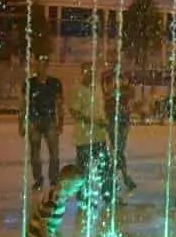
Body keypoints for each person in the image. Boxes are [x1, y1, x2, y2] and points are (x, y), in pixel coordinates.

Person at [69, 63, 112, 207]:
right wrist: (94, 121)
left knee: (104, 167)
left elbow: (101, 109)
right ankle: (83, 199)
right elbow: (74, 112)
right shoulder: (77, 90)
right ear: (82, 72)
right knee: (83, 170)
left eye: (93, 72)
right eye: (87, 72)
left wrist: (104, 122)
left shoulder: (97, 89)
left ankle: (108, 196)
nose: (90, 75)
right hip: (84, 138)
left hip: (99, 136)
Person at [21, 56, 65, 190]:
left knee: (54, 152)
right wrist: (22, 122)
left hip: (49, 119)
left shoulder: (54, 83)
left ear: (46, 66)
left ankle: (53, 178)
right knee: (35, 153)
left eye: (42, 65)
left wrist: (60, 122)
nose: (39, 68)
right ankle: (38, 179)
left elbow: (60, 103)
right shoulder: (29, 83)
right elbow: (23, 104)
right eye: (37, 65)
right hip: (34, 121)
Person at [104, 68, 138, 192]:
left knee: (118, 150)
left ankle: (116, 178)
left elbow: (129, 103)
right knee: (117, 151)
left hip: (122, 122)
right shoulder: (111, 90)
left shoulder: (126, 90)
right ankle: (121, 178)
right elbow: (107, 100)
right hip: (113, 122)